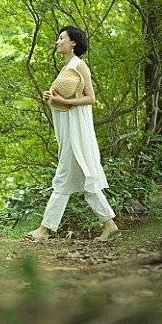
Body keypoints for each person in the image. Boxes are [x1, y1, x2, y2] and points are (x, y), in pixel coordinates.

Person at [27, 26, 119, 241]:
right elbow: (62, 97)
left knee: (62, 177)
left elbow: (90, 98)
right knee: (85, 180)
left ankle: (44, 229)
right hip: (67, 129)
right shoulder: (66, 68)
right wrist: (50, 96)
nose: (57, 42)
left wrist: (63, 101)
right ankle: (109, 224)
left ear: (73, 43)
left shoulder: (79, 65)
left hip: (77, 131)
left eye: (61, 38)